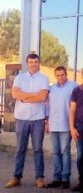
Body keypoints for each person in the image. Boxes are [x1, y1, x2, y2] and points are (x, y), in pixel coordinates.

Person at [5, 53, 49, 189]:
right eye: (31, 62)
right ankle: (16, 177)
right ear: (27, 63)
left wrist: (24, 97)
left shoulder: (43, 78)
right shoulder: (20, 78)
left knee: (38, 149)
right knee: (20, 149)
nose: (33, 64)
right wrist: (34, 95)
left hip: (38, 119)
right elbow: (15, 94)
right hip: (21, 118)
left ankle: (39, 178)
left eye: (35, 62)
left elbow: (42, 97)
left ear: (38, 63)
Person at [45, 66, 77, 189]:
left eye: (62, 75)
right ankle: (56, 178)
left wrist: (73, 125)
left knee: (65, 152)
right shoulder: (51, 88)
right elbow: (48, 106)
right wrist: (47, 122)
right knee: (55, 153)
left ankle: (65, 179)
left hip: (66, 125)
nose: (60, 77)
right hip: (53, 124)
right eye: (58, 75)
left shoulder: (73, 86)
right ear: (55, 76)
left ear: (66, 74)